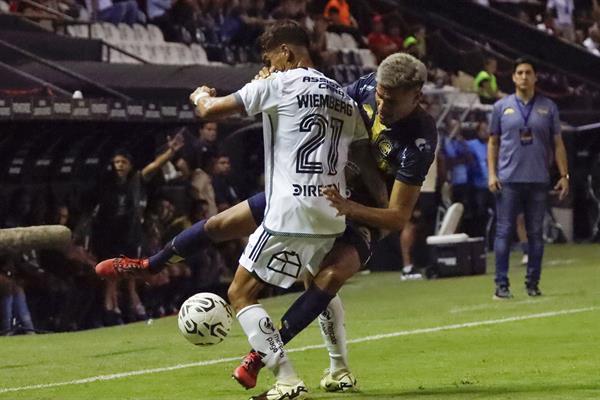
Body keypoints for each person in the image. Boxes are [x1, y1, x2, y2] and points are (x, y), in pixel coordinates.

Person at [96, 50, 435, 397]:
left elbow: (396, 216)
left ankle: (291, 362)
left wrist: (350, 207)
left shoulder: (419, 141)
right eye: (380, 94)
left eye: (392, 101)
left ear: (417, 96)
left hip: (366, 210)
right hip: (320, 190)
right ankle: (150, 265)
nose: (381, 104)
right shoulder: (363, 87)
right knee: (222, 223)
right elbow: (325, 105)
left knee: (326, 278)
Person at [488, 57, 569, 300]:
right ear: (513, 77)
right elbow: (492, 142)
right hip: (508, 179)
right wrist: (491, 173)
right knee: (504, 232)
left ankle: (533, 283)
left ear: (535, 77)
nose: (524, 76)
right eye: (520, 72)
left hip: (538, 180)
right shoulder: (501, 107)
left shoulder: (549, 107)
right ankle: (501, 285)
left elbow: (558, 144)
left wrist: (564, 175)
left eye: (528, 72)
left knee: (535, 233)